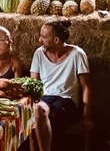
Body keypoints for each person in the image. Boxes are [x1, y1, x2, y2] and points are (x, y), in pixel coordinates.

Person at [29, 19, 93, 151]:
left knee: (39, 120)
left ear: (56, 40)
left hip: (67, 101)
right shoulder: (39, 53)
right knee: (38, 111)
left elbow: (86, 87)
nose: (40, 40)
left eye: (43, 36)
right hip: (45, 99)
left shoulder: (77, 54)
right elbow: (33, 83)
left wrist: (87, 116)